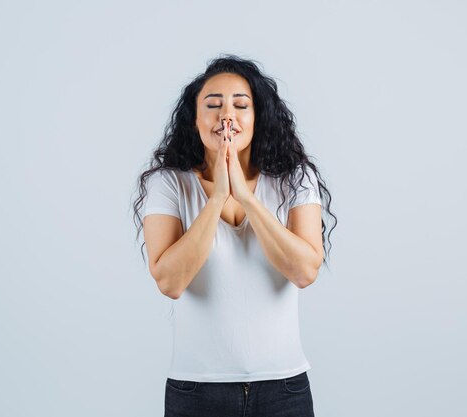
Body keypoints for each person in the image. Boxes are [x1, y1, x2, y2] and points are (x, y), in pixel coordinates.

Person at [131, 55, 337, 417]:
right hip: (196, 392)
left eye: (241, 105)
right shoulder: (167, 183)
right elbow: (170, 281)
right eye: (213, 105)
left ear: (257, 119)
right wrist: (217, 198)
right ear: (195, 121)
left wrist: (245, 197)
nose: (227, 115)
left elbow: (305, 271)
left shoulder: (294, 179)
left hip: (284, 390)